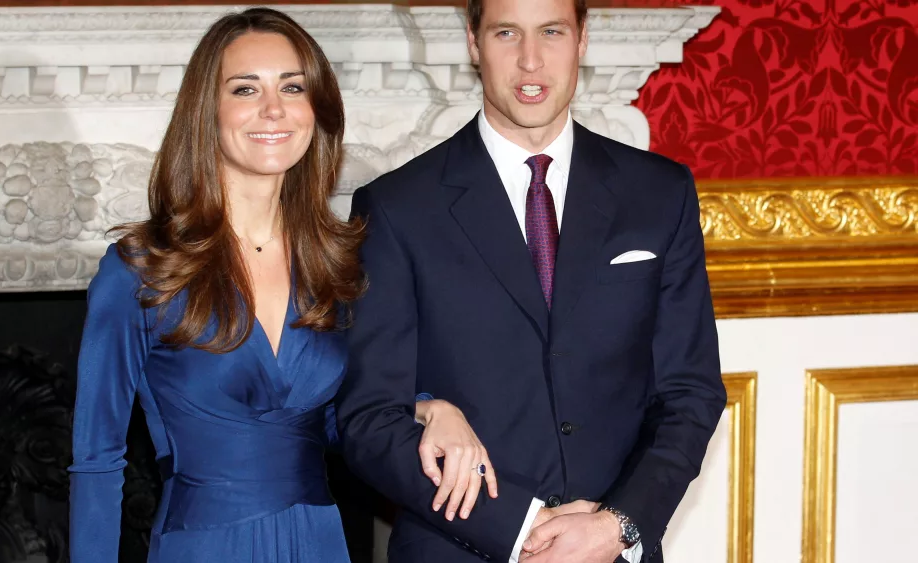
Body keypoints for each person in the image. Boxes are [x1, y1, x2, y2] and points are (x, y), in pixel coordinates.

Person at [68, 7, 496, 563]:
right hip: (201, 546)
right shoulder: (140, 269)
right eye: (246, 89)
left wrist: (428, 408)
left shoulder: (336, 264)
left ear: (315, 110)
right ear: (207, 112)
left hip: (319, 542)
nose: (273, 109)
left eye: (292, 88)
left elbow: (340, 421)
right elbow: (96, 460)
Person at [335, 0, 728, 561]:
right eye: (505, 33)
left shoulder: (659, 194)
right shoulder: (397, 208)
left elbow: (690, 392)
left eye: (551, 31)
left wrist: (617, 526)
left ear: (582, 39)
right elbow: (369, 418)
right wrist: (521, 528)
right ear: (474, 42)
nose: (530, 60)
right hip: (458, 549)